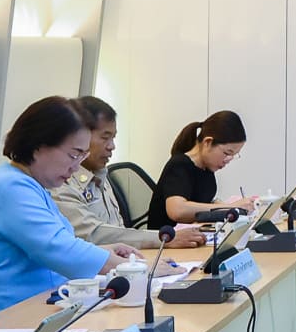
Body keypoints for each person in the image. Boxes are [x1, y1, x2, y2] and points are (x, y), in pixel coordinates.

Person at [0, 97, 141, 313]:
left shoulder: (32, 185)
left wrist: (104, 251)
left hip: (38, 308)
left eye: (82, 156)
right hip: (10, 316)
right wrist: (138, 270)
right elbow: (61, 251)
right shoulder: (10, 187)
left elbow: (60, 243)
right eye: (74, 155)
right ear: (39, 145)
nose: (76, 167)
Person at [54, 97, 204, 250]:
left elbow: (118, 228)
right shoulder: (60, 183)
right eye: (105, 138)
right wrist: (163, 239)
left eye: (113, 138)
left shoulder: (100, 174)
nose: (112, 146)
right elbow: (93, 235)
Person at [146, 111, 251, 229]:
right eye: (227, 153)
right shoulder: (179, 165)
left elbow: (202, 200)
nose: (228, 160)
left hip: (194, 234)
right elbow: (177, 210)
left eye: (233, 155)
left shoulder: (207, 168)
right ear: (208, 142)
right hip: (168, 237)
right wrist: (230, 208)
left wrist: (224, 205)